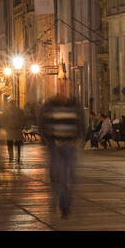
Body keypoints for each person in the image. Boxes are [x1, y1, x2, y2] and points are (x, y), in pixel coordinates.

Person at [39, 89, 84, 217]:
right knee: (63, 178)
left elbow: (80, 123)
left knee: (73, 178)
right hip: (57, 147)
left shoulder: (73, 107)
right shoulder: (51, 108)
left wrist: (81, 138)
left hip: (71, 146)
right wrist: (47, 141)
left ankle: (64, 202)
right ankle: (64, 205)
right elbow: (43, 124)